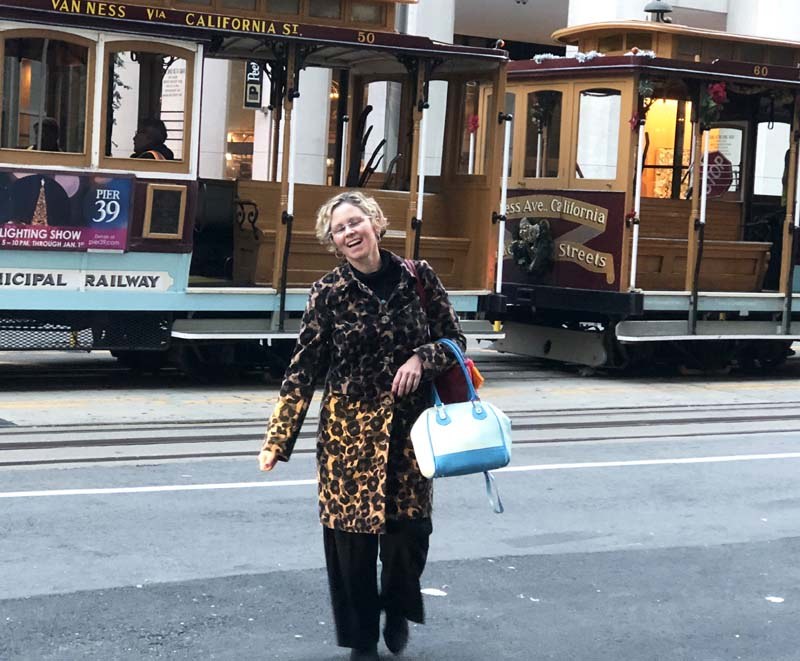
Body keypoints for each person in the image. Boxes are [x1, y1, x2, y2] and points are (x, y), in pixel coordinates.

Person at [258, 191, 465, 661]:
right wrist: (278, 439)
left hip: (411, 435)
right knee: (349, 546)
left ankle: (397, 606)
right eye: (339, 229)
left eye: (356, 222)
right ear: (333, 242)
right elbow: (303, 369)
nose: (349, 232)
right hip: (347, 437)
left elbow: (454, 339)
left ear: (375, 223)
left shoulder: (419, 278)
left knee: (408, 538)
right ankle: (362, 642)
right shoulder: (328, 292)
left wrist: (422, 357)